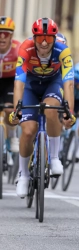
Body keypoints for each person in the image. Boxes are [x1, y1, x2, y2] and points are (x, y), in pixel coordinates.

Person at [9, 17, 76, 198]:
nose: (44, 43)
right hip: (30, 86)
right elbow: (19, 83)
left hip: (52, 85)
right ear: (34, 38)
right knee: (28, 131)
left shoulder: (63, 50)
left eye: (48, 38)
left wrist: (70, 111)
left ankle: (54, 157)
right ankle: (23, 175)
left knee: (52, 109)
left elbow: (69, 83)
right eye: (40, 39)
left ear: (55, 38)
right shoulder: (26, 48)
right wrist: (17, 110)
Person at [0, 16, 21, 157]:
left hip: (10, 82)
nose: (2, 37)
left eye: (6, 34)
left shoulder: (18, 49)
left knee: (9, 109)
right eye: (0, 33)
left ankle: (12, 135)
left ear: (11, 36)